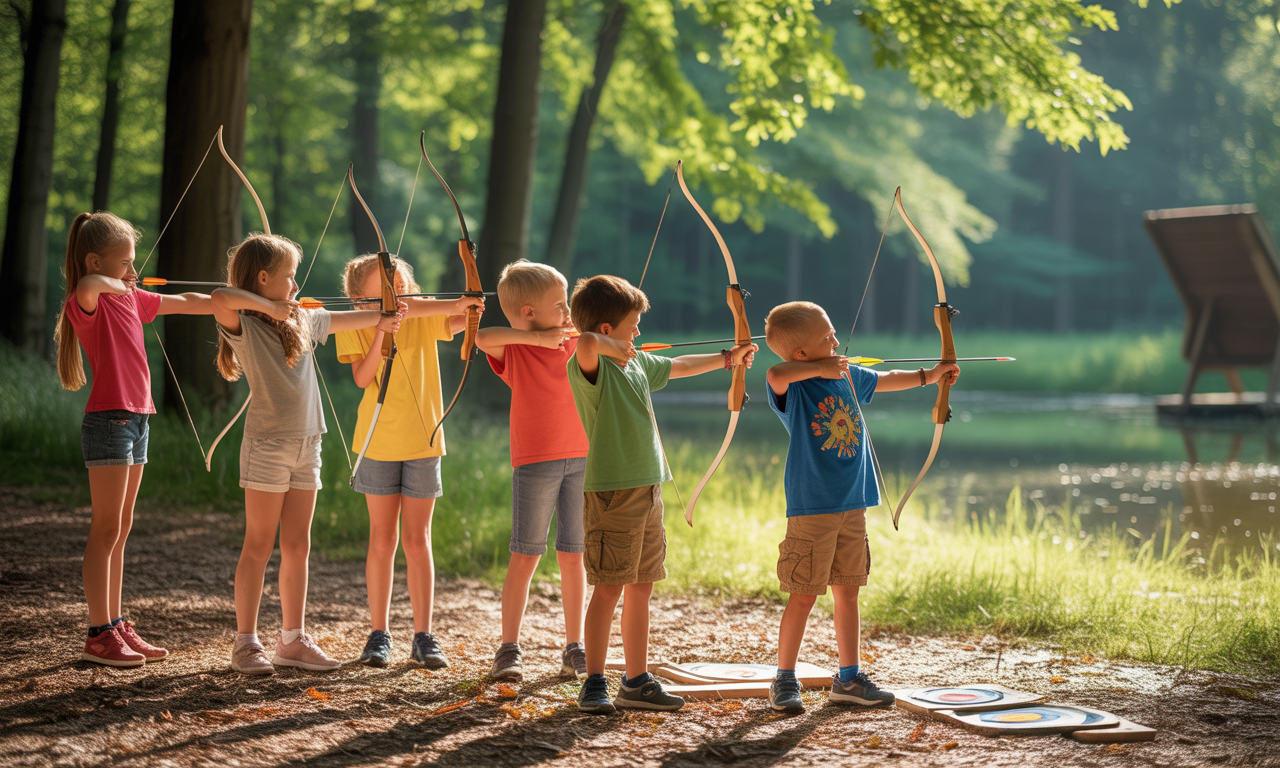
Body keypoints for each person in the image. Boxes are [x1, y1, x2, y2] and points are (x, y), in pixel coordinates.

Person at [211, 234, 403, 676]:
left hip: (307, 445)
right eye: (289, 278)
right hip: (268, 447)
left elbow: (375, 314)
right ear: (263, 279)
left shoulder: (305, 322)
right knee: (259, 544)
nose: (296, 287)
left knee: (298, 544)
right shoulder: (245, 324)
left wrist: (448, 308)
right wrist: (273, 308)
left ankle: (292, 640)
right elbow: (220, 296)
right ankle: (246, 642)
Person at [567, 275, 757, 714]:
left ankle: (635, 681)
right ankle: (594, 681)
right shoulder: (589, 368)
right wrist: (608, 344)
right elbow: (587, 344)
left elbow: (682, 366)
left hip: (648, 489)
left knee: (641, 586)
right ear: (608, 329)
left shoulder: (635, 364)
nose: (638, 333)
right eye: (632, 326)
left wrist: (729, 358)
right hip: (612, 493)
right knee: (608, 589)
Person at [761, 301, 959, 712]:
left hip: (854, 503)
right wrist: (820, 369)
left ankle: (848, 678)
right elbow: (774, 373)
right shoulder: (797, 386)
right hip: (813, 506)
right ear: (802, 354)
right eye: (826, 338)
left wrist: (931, 375)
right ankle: (783, 680)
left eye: (833, 333)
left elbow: (886, 379)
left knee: (847, 591)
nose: (836, 341)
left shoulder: (845, 375)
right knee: (803, 595)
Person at [56, 211, 215, 667]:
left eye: (133, 263)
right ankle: (97, 632)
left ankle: (116, 621)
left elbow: (185, 300)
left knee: (122, 528)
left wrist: (236, 300)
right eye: (124, 263)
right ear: (94, 262)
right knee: (105, 528)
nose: (133, 271)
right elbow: (88, 287)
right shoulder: (89, 302)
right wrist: (114, 283)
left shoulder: (130, 299)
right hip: (109, 421)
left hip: (137, 420)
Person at [335, 254, 482, 669]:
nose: (395, 295)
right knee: (383, 540)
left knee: (418, 540)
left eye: (400, 287)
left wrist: (469, 307)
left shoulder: (418, 312)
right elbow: (363, 378)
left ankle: (423, 636)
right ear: (357, 298)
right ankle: (379, 634)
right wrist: (382, 333)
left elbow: (455, 318)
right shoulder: (357, 323)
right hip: (377, 441)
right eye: (384, 290)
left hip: (424, 441)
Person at [475, 260, 589, 682]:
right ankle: (509, 649)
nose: (566, 312)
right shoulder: (516, 349)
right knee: (525, 554)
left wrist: (574, 327)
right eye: (559, 305)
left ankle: (574, 646)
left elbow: (606, 337)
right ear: (528, 313)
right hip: (535, 461)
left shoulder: (575, 343)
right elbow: (481, 336)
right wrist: (539, 338)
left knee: (573, 556)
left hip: (582, 458)